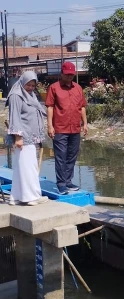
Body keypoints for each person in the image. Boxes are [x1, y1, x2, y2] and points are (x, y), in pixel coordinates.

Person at [6, 71, 49, 206]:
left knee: (21, 167)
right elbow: (15, 117)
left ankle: (17, 196)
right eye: (28, 84)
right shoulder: (16, 96)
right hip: (23, 137)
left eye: (32, 85)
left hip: (30, 136)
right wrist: (18, 137)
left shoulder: (29, 95)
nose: (30, 87)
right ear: (22, 82)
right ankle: (31, 196)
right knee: (28, 167)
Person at [45, 62, 88, 195]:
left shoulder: (78, 88)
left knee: (72, 156)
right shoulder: (54, 88)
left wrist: (85, 123)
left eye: (71, 75)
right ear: (61, 73)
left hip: (75, 128)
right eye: (67, 74)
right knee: (60, 156)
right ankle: (61, 184)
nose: (69, 77)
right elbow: (50, 107)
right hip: (60, 128)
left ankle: (68, 181)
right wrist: (50, 126)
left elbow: (82, 107)